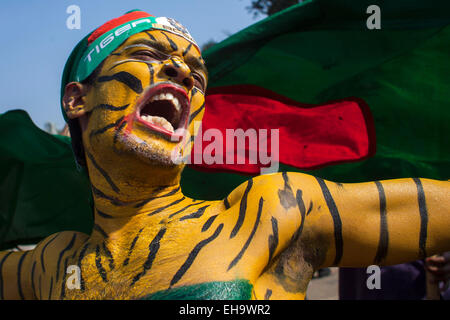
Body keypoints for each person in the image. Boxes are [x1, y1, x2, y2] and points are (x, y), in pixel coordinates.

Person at [0, 10, 449, 300]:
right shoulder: (52, 264)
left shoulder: (272, 212)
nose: (182, 71)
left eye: (196, 74)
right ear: (77, 100)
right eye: (146, 54)